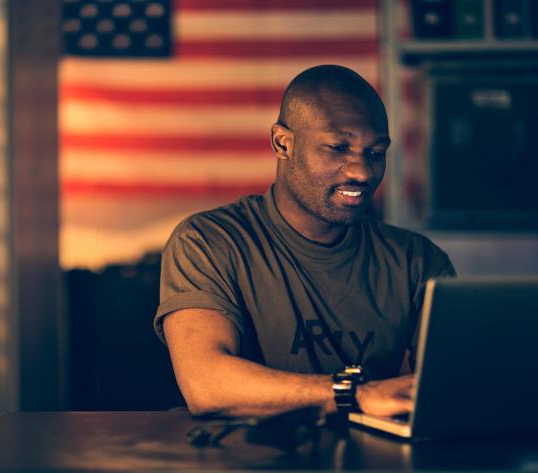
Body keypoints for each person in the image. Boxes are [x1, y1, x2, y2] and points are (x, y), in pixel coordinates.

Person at [153, 65, 455, 418]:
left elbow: (452, 387)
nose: (362, 172)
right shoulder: (207, 243)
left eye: (375, 153)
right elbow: (205, 385)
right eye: (338, 148)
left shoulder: (417, 261)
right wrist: (355, 394)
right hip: (248, 460)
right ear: (283, 143)